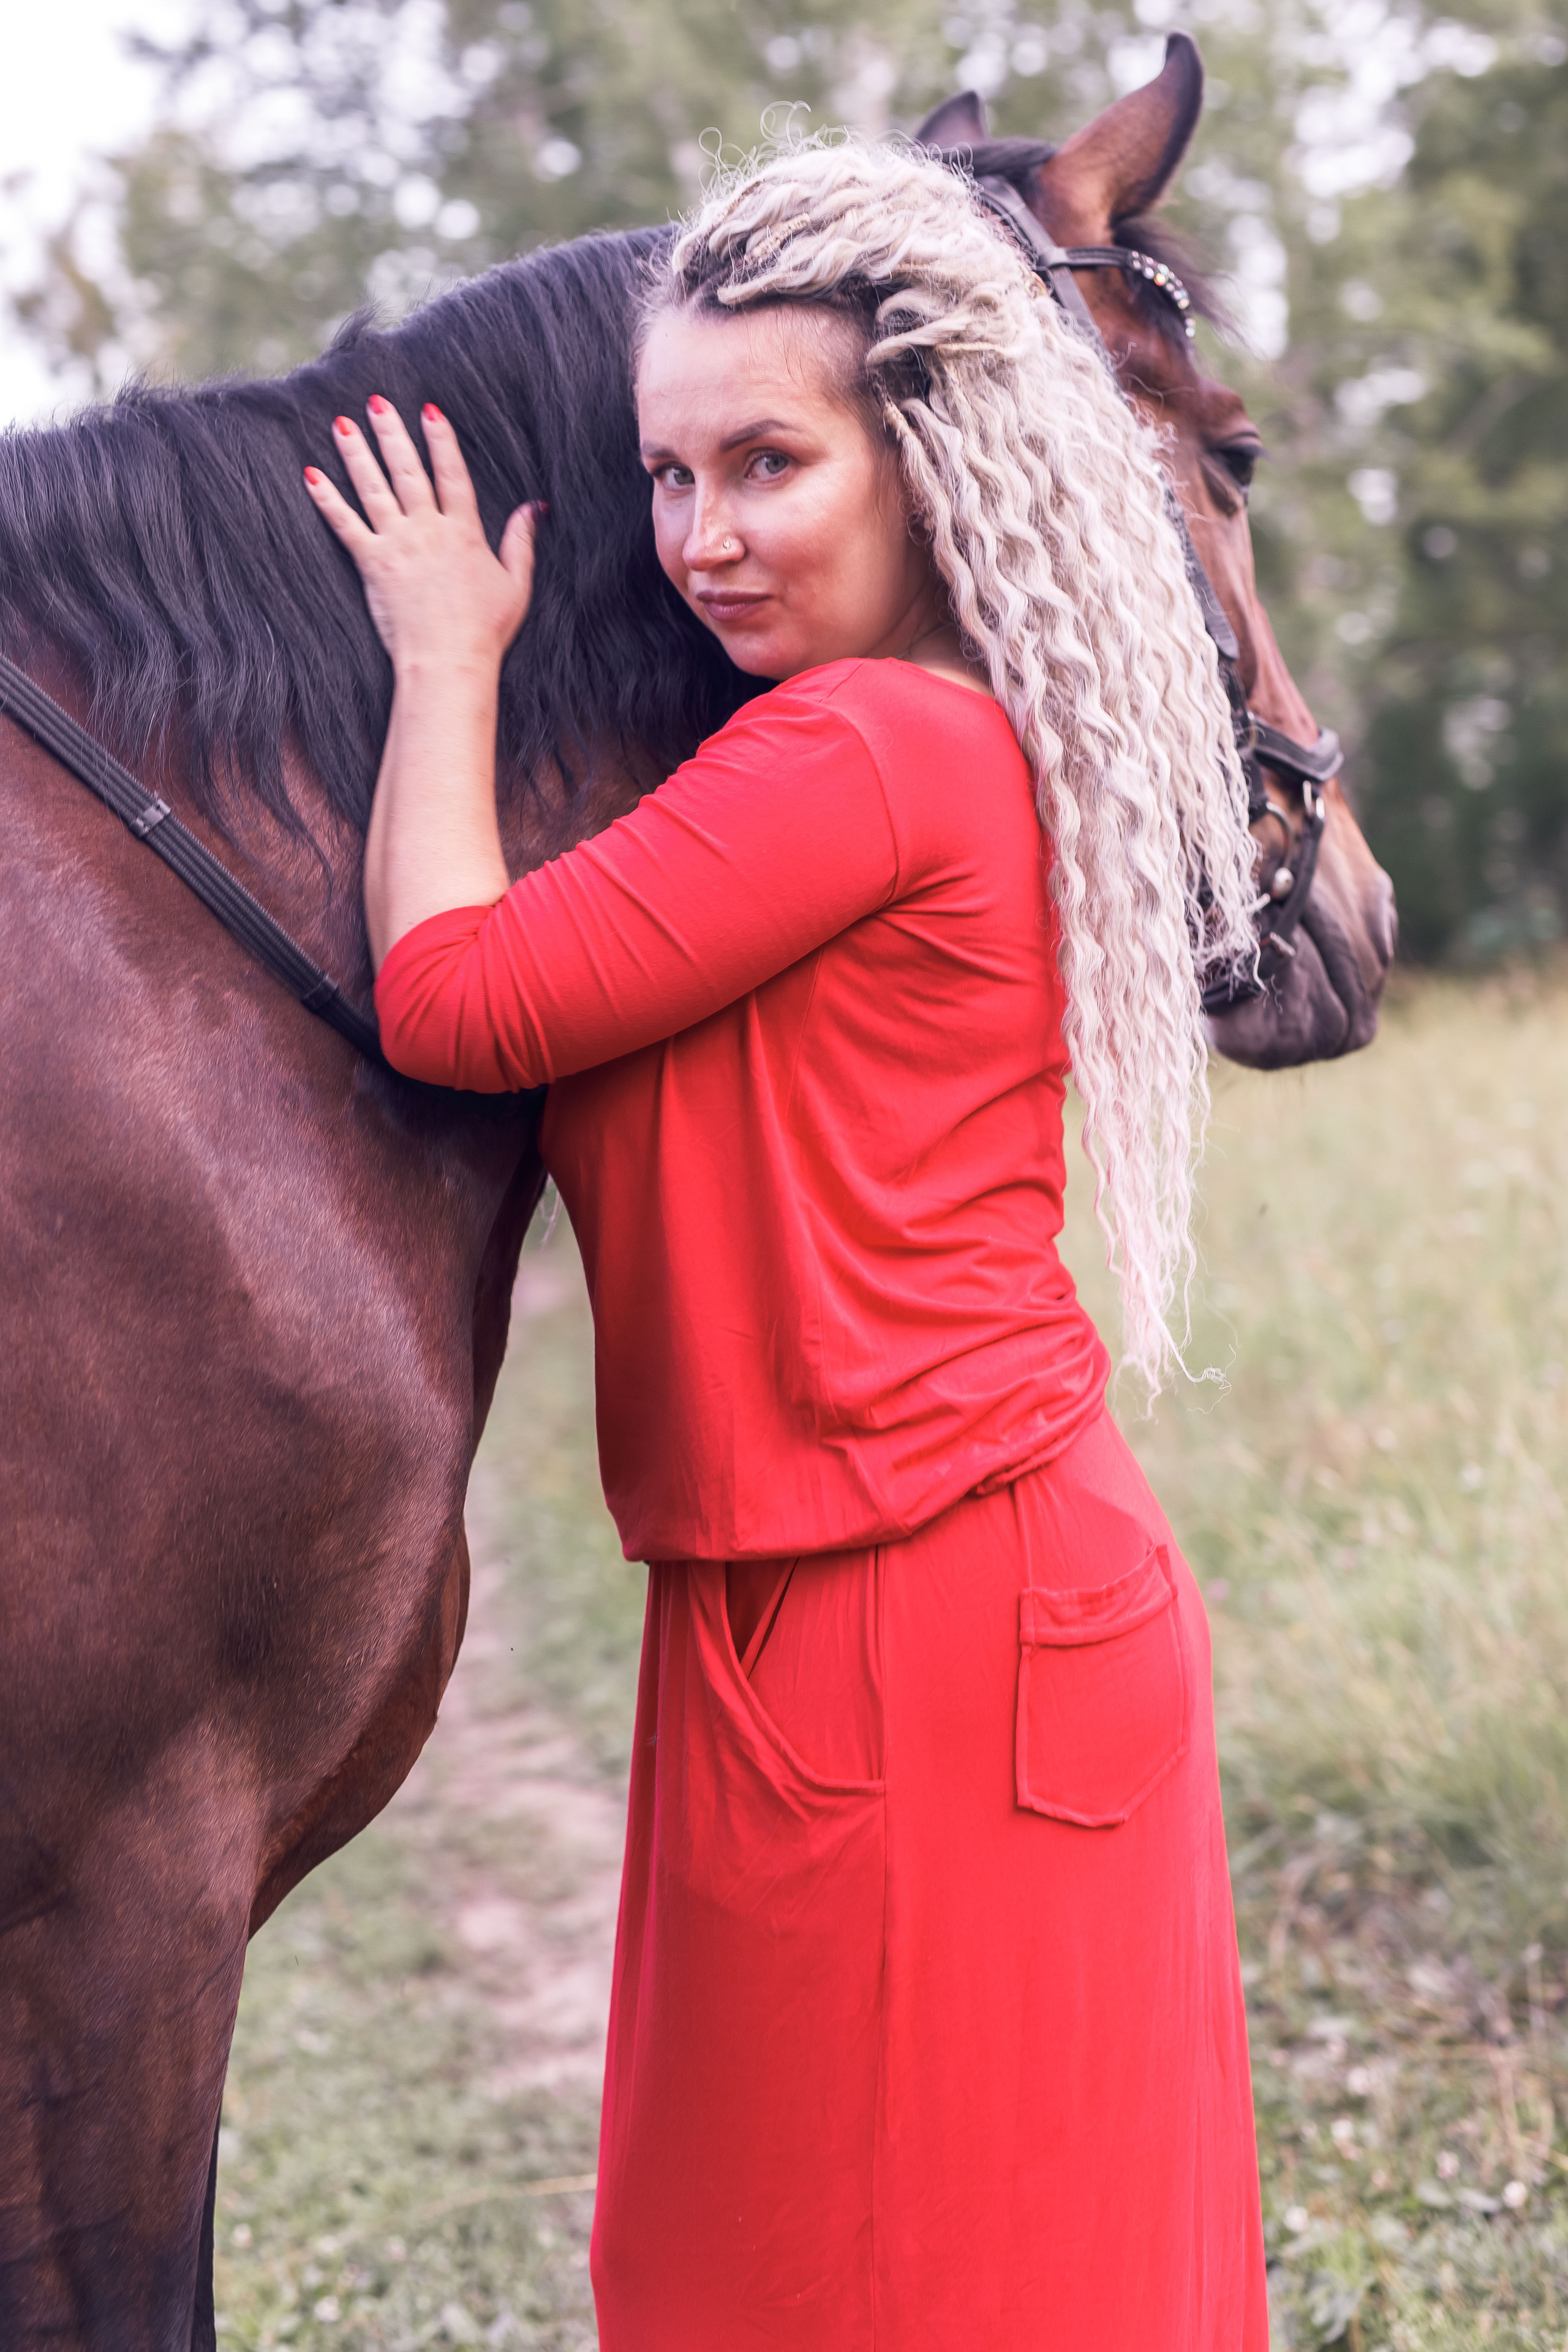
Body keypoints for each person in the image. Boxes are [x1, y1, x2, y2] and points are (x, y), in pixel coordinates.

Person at [306, 138, 1267, 2352]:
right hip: (832, 1603)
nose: (705, 535)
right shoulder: (827, 746)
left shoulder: (865, 750)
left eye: (771, 461)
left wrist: (445, 655)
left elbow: (453, 999)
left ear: (917, 461)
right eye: (666, 476)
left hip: (936, 1628)